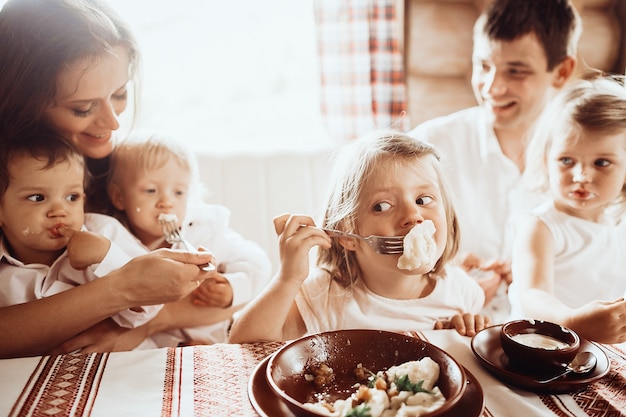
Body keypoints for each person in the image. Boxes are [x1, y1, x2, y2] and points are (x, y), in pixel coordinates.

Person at [0, 0, 216, 358]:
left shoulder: (126, 171)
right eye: (82, 108)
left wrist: (144, 324)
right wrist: (121, 289)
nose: (113, 123)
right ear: (21, 107)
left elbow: (223, 291)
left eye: (119, 94)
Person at [408, 0, 581, 323]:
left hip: (549, 341)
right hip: (447, 330)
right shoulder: (431, 145)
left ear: (562, 72)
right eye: (484, 66)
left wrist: (533, 279)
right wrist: (443, 277)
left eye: (516, 71)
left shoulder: (592, 163)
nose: (492, 87)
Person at [229, 131, 490, 343]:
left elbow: (465, 352)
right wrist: (289, 278)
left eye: (423, 200)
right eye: (382, 206)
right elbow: (244, 343)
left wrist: (461, 333)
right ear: (349, 235)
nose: (413, 215)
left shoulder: (460, 291)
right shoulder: (326, 294)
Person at [0, 127, 167, 349]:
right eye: (37, 197)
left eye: (72, 197)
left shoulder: (105, 231)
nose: (60, 210)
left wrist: (106, 257)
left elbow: (154, 296)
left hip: (125, 365)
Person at [106, 131, 272, 345]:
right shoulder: (115, 239)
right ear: (119, 197)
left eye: (179, 193)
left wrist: (233, 288)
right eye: (150, 190)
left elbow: (259, 263)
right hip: (152, 350)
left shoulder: (204, 230)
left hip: (212, 343)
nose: (166, 202)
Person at [508, 76, 626, 345]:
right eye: (566, 160)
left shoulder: (619, 222)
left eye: (601, 162)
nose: (582, 175)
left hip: (599, 350)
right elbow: (533, 294)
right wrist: (571, 321)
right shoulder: (542, 227)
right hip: (540, 344)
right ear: (546, 160)